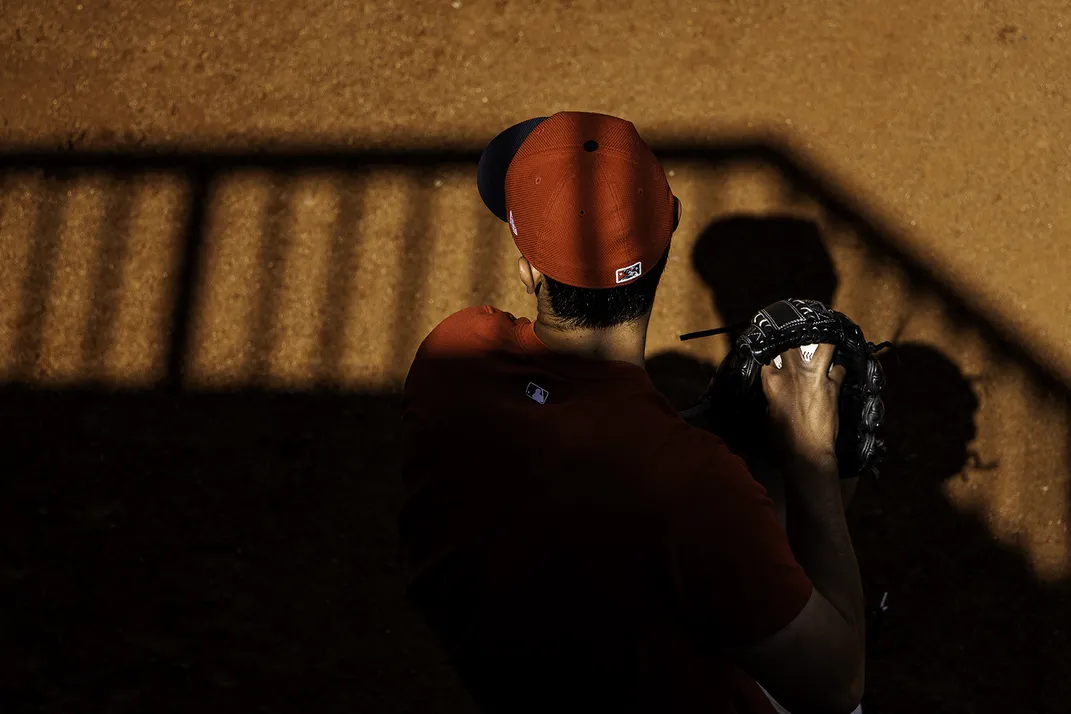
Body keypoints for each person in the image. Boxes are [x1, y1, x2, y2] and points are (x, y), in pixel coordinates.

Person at [398, 111, 865, 714]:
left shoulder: (454, 353)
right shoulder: (695, 487)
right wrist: (812, 457)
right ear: (668, 228)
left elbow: (586, 448)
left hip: (507, 668)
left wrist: (696, 427)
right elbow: (837, 684)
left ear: (530, 269)